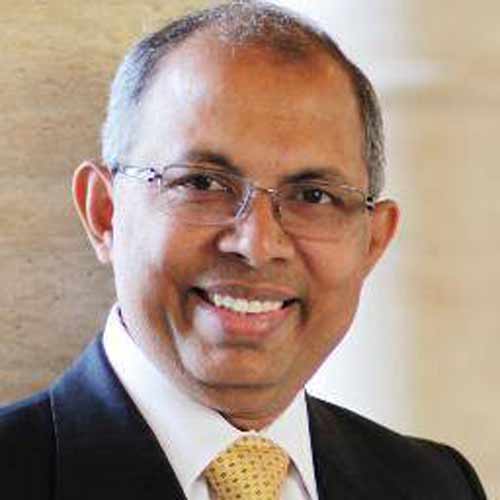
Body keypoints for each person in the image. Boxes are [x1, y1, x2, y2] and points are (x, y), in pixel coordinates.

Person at [0, 1, 487, 499]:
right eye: (203, 183)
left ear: (373, 243)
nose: (256, 244)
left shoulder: (436, 485)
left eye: (312, 196)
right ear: (105, 213)